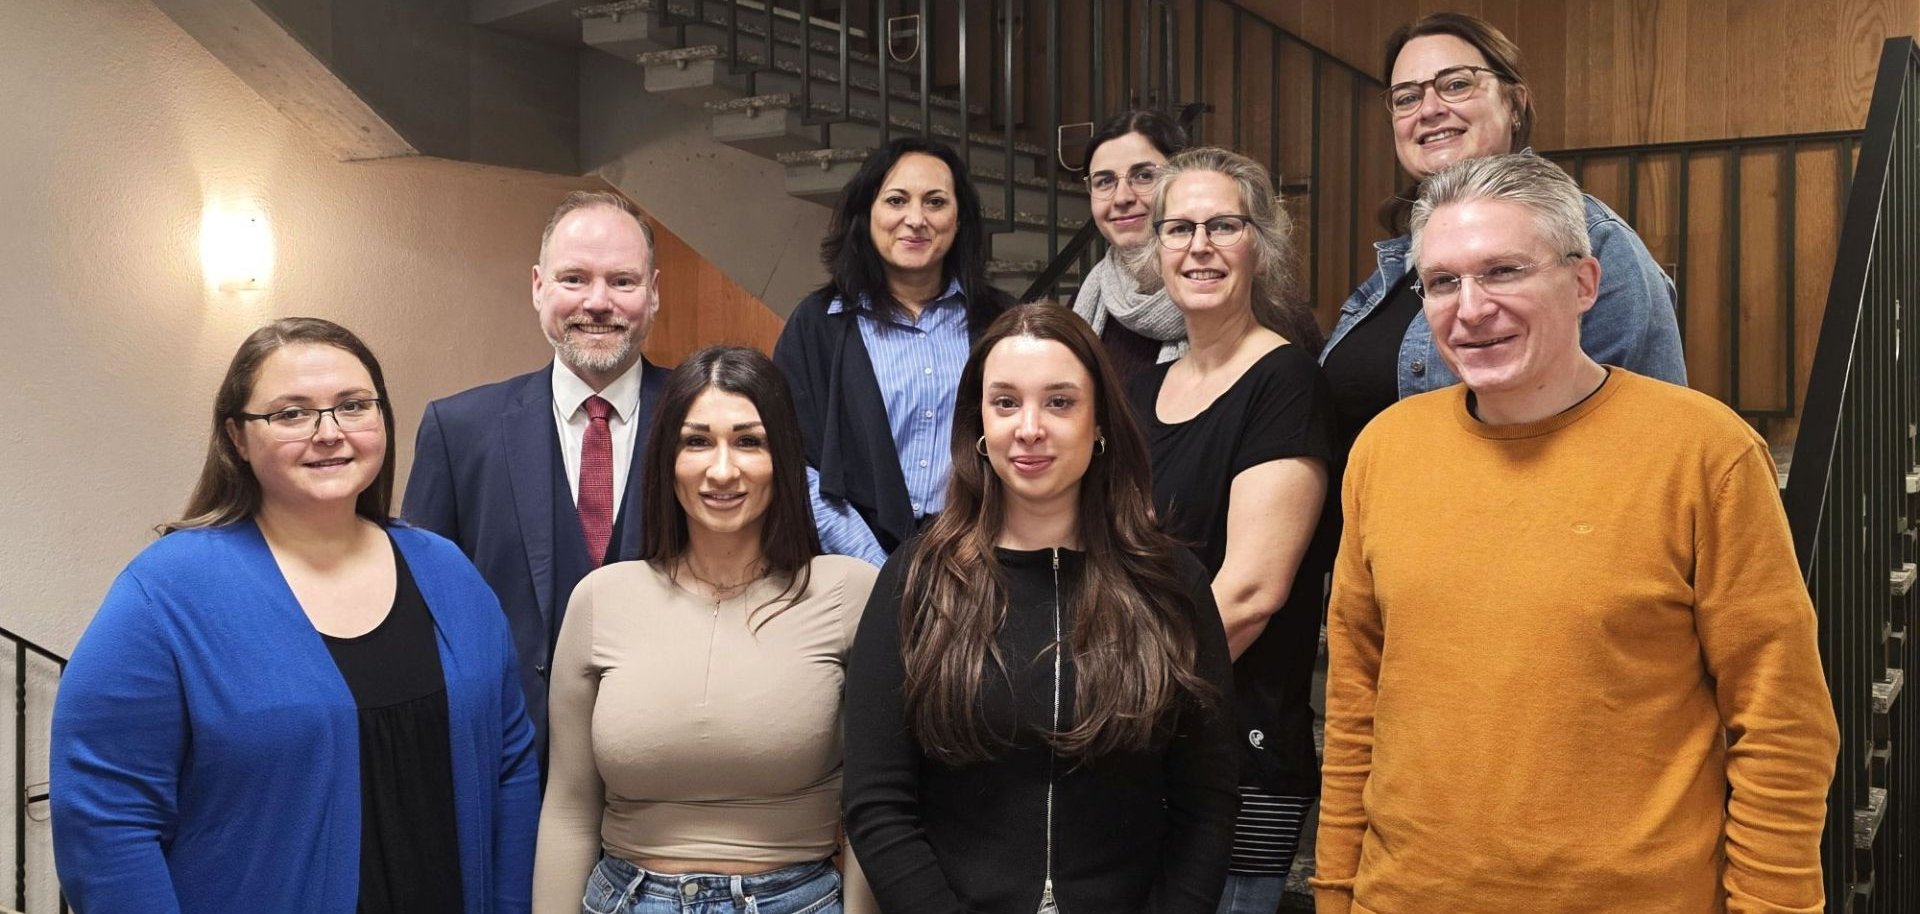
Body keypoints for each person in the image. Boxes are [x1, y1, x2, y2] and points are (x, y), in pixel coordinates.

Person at [1313, 154, 1840, 913]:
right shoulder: (1384, 451)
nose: (1471, 308)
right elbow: (1356, 700)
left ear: (1584, 283)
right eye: (1442, 282)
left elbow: (1782, 722)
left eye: (1503, 271)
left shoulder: (1704, 453)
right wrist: (1334, 891)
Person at [52, 317, 538, 914]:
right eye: (291, 413)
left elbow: (510, 762)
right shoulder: (167, 594)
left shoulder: (447, 571)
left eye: (354, 406)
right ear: (236, 437)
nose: (329, 433)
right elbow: (106, 821)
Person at [844, 303, 1240, 914]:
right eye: (1005, 402)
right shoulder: (917, 577)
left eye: (1059, 402)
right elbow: (877, 801)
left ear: (1100, 421)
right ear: (978, 421)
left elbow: (1207, 801)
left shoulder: (1170, 583)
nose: (1029, 428)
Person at [533, 346, 879, 914]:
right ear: (666, 458)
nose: (723, 470)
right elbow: (570, 808)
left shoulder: (848, 593)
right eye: (697, 441)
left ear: (784, 458)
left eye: (749, 441)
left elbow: (875, 809)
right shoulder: (600, 599)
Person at [1123, 147, 1334, 914]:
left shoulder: (1287, 381)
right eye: (1178, 228)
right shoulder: (1143, 392)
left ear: (1261, 245)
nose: (1199, 246)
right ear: (1155, 250)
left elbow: (1249, 593)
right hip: (1141, 742)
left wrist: (1117, 697)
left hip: (1236, 750)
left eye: (1223, 225)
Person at [1319, 12, 1686, 451]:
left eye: (1456, 84)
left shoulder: (1596, 239)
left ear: (1515, 104)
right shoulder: (1401, 259)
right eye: (1406, 97)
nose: (1430, 109)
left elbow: (1638, 443)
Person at [404, 190, 671, 744]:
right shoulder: (459, 431)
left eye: (622, 281)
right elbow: (420, 611)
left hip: (671, 756)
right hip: (509, 755)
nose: (598, 302)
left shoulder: (707, 421)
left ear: (653, 293)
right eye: (574, 279)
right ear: (537, 286)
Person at [773, 136, 1014, 567]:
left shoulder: (1002, 323)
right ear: (867, 215)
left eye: (936, 202)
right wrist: (877, 568)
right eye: (897, 200)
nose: (916, 219)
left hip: (980, 563)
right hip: (849, 567)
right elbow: (793, 464)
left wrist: (975, 553)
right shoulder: (817, 325)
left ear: (960, 219)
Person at [1069, 108, 1190, 381]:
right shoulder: (1085, 302)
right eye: (1105, 181)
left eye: (1144, 176)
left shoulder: (1236, 301)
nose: (1121, 197)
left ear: (1183, 179)